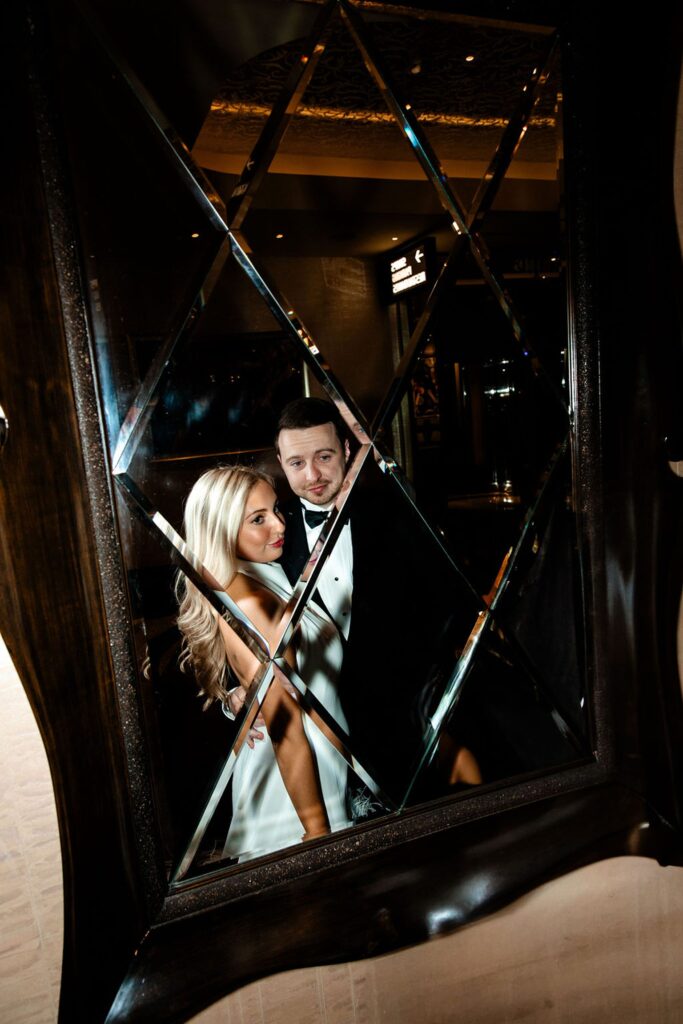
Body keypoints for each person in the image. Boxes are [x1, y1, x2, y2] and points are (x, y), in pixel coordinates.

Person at [274, 397, 482, 802]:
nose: (312, 475)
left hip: (403, 734)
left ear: (348, 451)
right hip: (313, 744)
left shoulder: (398, 514)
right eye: (296, 463)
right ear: (280, 461)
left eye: (324, 456)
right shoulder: (270, 535)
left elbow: (450, 609)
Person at [176, 464, 350, 861]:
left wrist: (243, 693)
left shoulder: (259, 573)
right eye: (258, 519)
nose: (278, 524)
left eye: (275, 510)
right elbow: (287, 730)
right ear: (222, 530)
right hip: (296, 791)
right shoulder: (251, 599)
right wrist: (317, 832)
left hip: (316, 768)